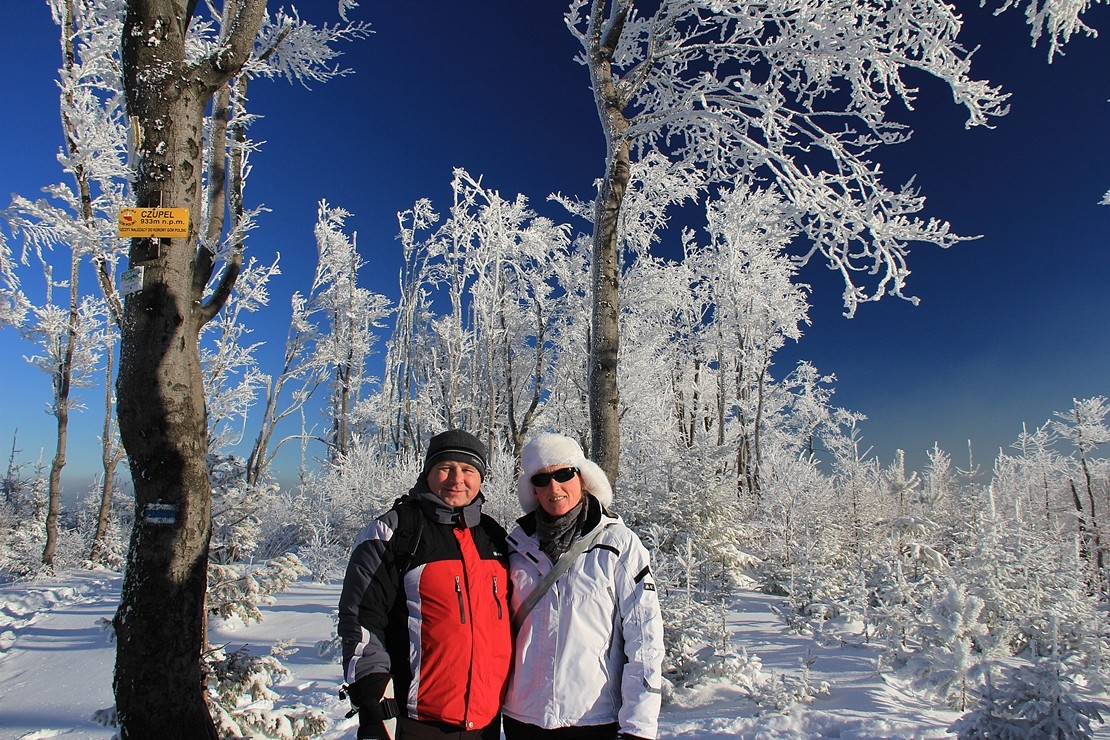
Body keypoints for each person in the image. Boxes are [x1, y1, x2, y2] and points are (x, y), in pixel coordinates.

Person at [337, 429, 512, 740]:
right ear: (428, 472)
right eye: (445, 468)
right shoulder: (395, 531)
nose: (457, 479)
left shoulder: (494, 536)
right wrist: (373, 693)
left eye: (468, 470)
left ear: (481, 478)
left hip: (485, 722)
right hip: (416, 720)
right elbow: (362, 618)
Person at [502, 433, 664, 740]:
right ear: (532, 491)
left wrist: (639, 727)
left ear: (583, 477)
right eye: (542, 479)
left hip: (592, 718)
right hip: (521, 717)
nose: (554, 488)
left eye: (564, 474)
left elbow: (645, 640)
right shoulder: (514, 546)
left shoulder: (618, 544)